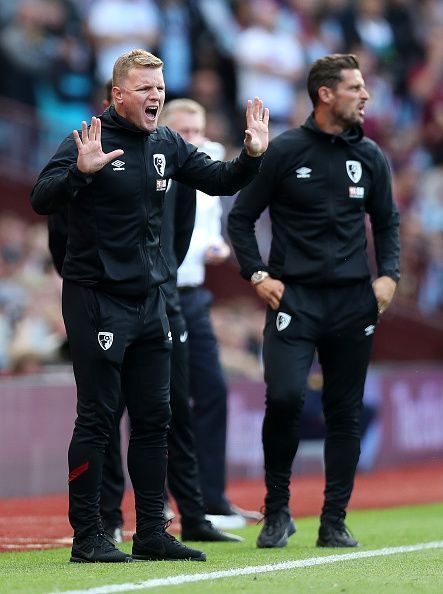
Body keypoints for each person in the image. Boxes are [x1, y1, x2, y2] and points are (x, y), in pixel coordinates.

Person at [31, 48, 269, 564]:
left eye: (159, 88)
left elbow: (219, 179)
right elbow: (41, 197)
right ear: (118, 95)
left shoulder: (168, 143)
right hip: (96, 298)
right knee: (96, 418)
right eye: (144, 88)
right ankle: (89, 534)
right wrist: (81, 172)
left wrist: (251, 156)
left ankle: (152, 531)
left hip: (152, 301)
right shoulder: (86, 140)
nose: (155, 96)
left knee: (155, 417)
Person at [228, 53, 400, 549]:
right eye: (355, 88)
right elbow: (240, 219)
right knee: (283, 397)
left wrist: (388, 276)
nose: (365, 96)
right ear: (326, 94)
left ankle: (334, 519)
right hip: (294, 299)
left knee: (344, 410)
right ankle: (277, 511)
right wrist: (256, 273)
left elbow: (387, 222)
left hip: (353, 301)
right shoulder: (284, 152)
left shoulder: (370, 155)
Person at [169, 102, 260, 529]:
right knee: (161, 403)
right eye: (184, 130)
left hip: (193, 294)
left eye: (198, 129)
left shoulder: (206, 163)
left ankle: (212, 498)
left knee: (213, 393)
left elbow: (208, 227)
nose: (193, 138)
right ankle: (163, 502)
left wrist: (217, 246)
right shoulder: (154, 165)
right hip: (157, 295)